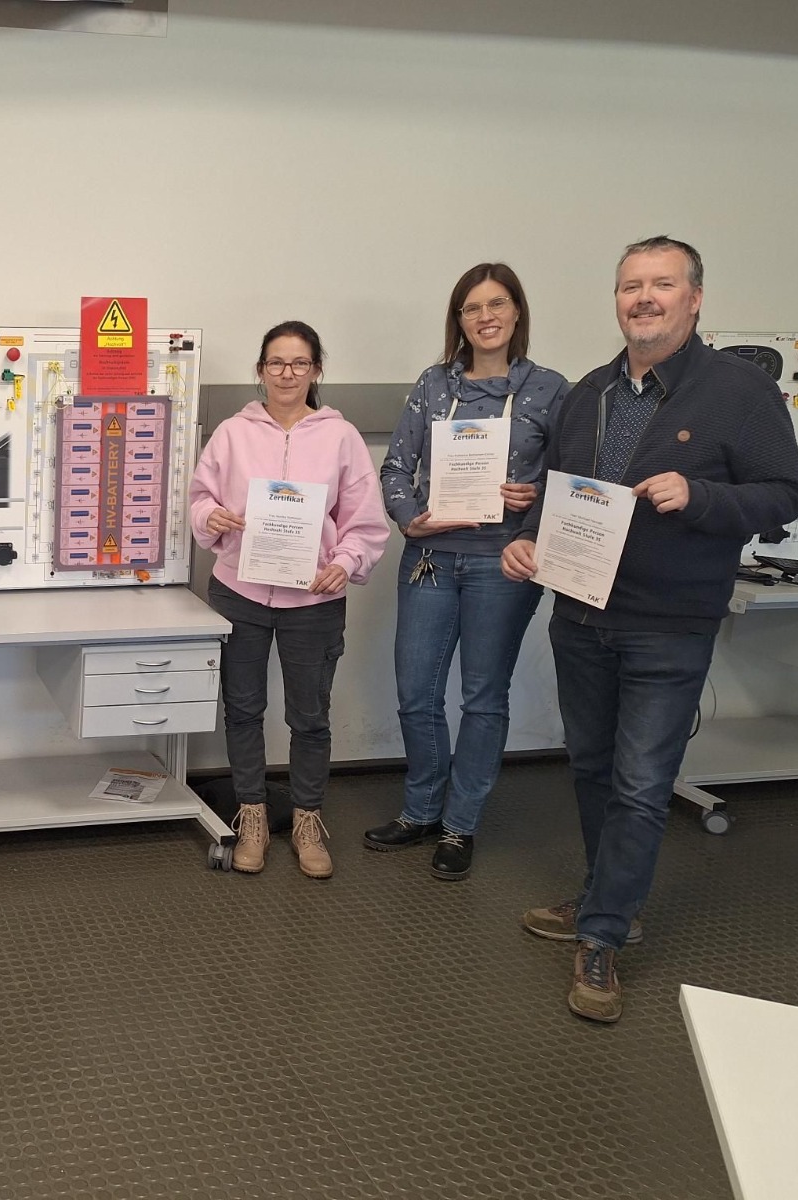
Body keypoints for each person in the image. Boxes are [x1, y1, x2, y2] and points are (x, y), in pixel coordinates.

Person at [502, 236, 798, 1023]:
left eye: (662, 284)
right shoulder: (590, 393)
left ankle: (604, 934)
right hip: (580, 613)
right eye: (631, 285)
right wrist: (526, 538)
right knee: (592, 769)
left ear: (694, 298)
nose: (643, 297)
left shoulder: (739, 391)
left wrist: (701, 498)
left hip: (668, 625)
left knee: (641, 784)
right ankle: (603, 898)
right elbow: (558, 492)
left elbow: (786, 492)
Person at [367, 265, 569, 880]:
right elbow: (396, 468)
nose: (486, 317)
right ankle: (422, 809)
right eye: (472, 308)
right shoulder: (433, 385)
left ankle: (460, 824)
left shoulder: (551, 389)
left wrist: (535, 497)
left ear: (517, 311)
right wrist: (410, 519)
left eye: (497, 304)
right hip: (431, 558)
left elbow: (570, 481)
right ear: (459, 319)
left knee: (482, 697)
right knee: (416, 692)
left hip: (503, 563)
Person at [189, 322, 390, 879]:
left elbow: (365, 521)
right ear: (260, 370)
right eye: (276, 363)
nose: (287, 373)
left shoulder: (341, 437)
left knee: (310, 716)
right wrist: (211, 516)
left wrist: (344, 563)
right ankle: (252, 815)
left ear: (316, 370)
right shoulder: (232, 433)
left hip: (314, 599)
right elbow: (199, 498)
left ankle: (306, 820)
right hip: (240, 592)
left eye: (299, 363)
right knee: (243, 709)